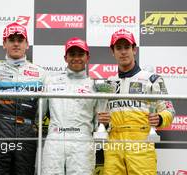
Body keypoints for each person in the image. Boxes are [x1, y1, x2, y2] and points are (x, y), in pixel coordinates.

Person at [98, 29, 175, 175]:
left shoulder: (152, 79)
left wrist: (159, 118)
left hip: (141, 142)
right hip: (114, 143)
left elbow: (170, 111)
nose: (123, 52)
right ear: (112, 51)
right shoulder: (108, 83)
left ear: (134, 50)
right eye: (118, 48)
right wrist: (103, 121)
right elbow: (102, 116)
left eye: (127, 47)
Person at [0, 22, 46, 175]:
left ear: (27, 44)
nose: (16, 44)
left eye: (20, 40)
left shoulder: (41, 73)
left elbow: (45, 107)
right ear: (4, 44)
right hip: (0, 129)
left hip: (27, 130)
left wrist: (32, 124)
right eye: (11, 40)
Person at [42, 37, 99, 175]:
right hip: (55, 139)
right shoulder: (51, 82)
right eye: (72, 54)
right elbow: (39, 114)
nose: (76, 58)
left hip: (82, 141)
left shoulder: (95, 85)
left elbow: (99, 122)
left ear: (87, 57)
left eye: (80, 54)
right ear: (65, 57)